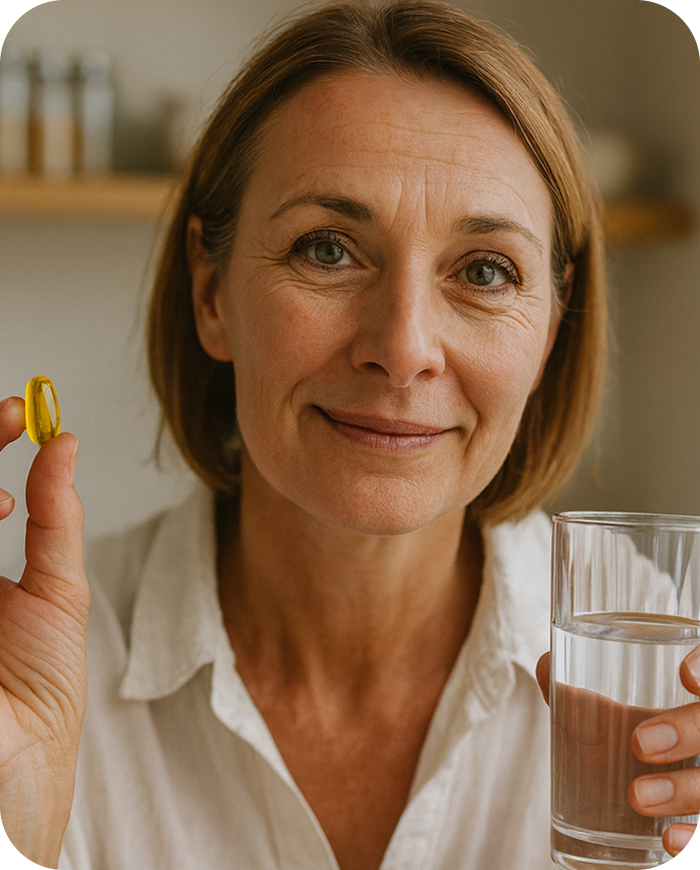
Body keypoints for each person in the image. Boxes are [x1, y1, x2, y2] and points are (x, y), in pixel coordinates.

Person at [0, 2, 697, 868]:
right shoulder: (33, 678)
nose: (403, 349)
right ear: (211, 292)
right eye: (328, 250)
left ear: (551, 330)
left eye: (485, 271)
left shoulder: (669, 658)